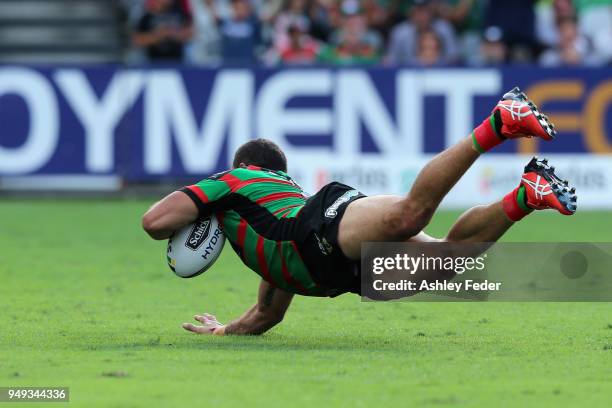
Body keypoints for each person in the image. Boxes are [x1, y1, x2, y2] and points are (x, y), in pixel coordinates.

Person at [142, 88, 576, 336]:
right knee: (448, 260)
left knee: (409, 215)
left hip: (320, 226)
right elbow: (266, 314)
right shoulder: (265, 237)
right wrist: (221, 332)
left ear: (248, 167)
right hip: (332, 265)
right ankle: (529, 194)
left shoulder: (234, 180)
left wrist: (203, 211)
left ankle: (500, 121)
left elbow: (154, 223)